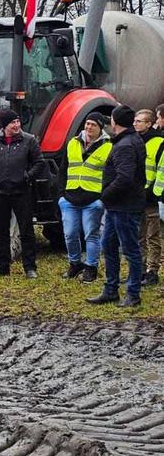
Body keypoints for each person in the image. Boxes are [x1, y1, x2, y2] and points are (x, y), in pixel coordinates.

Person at [88, 105, 145, 308]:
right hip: (118, 206)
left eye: (111, 118)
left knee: (130, 250)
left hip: (125, 207)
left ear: (115, 122)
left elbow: (124, 178)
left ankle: (133, 293)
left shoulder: (125, 145)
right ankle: (111, 289)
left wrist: (104, 196)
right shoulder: (127, 140)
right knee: (108, 246)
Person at [0, 108, 44, 278]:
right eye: (13, 122)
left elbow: (39, 162)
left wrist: (27, 177)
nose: (17, 125)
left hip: (22, 193)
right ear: (4, 125)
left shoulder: (29, 140)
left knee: (26, 231)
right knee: (1, 231)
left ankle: (30, 268)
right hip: (0, 193)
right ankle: (2, 265)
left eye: (18, 121)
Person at [59, 112, 110, 283]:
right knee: (70, 234)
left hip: (93, 199)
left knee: (91, 235)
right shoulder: (73, 143)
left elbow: (111, 175)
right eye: (87, 124)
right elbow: (63, 170)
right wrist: (61, 195)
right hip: (70, 198)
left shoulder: (108, 146)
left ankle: (91, 267)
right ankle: (75, 263)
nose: (88, 127)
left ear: (100, 127)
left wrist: (102, 198)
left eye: (93, 125)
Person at [135, 109, 164, 288]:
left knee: (152, 236)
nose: (135, 124)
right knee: (139, 236)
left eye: (139, 121)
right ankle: (140, 269)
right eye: (135, 121)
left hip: (151, 197)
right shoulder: (135, 141)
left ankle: (152, 271)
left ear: (149, 123)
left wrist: (154, 193)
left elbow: (161, 170)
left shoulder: (159, 142)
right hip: (136, 196)